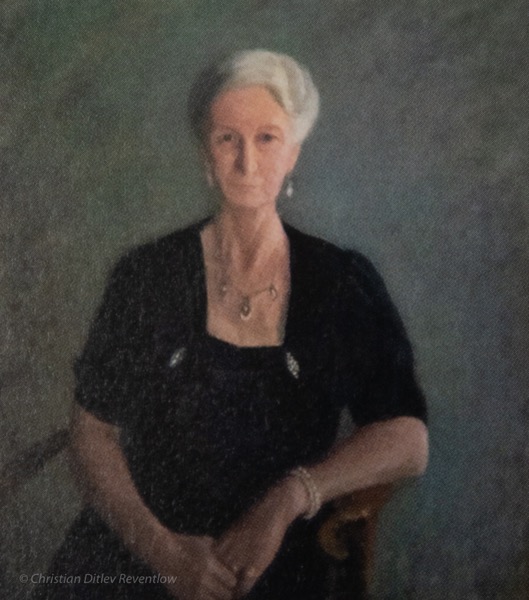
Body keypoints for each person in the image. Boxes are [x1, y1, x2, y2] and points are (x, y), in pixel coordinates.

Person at [33, 49, 428, 600]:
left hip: (277, 560)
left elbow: (408, 438)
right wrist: (166, 554)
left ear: (293, 152)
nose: (247, 161)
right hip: (141, 555)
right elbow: (90, 430)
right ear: (205, 152)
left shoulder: (340, 283)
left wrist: (290, 497)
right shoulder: (148, 276)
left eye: (267, 138)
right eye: (227, 139)